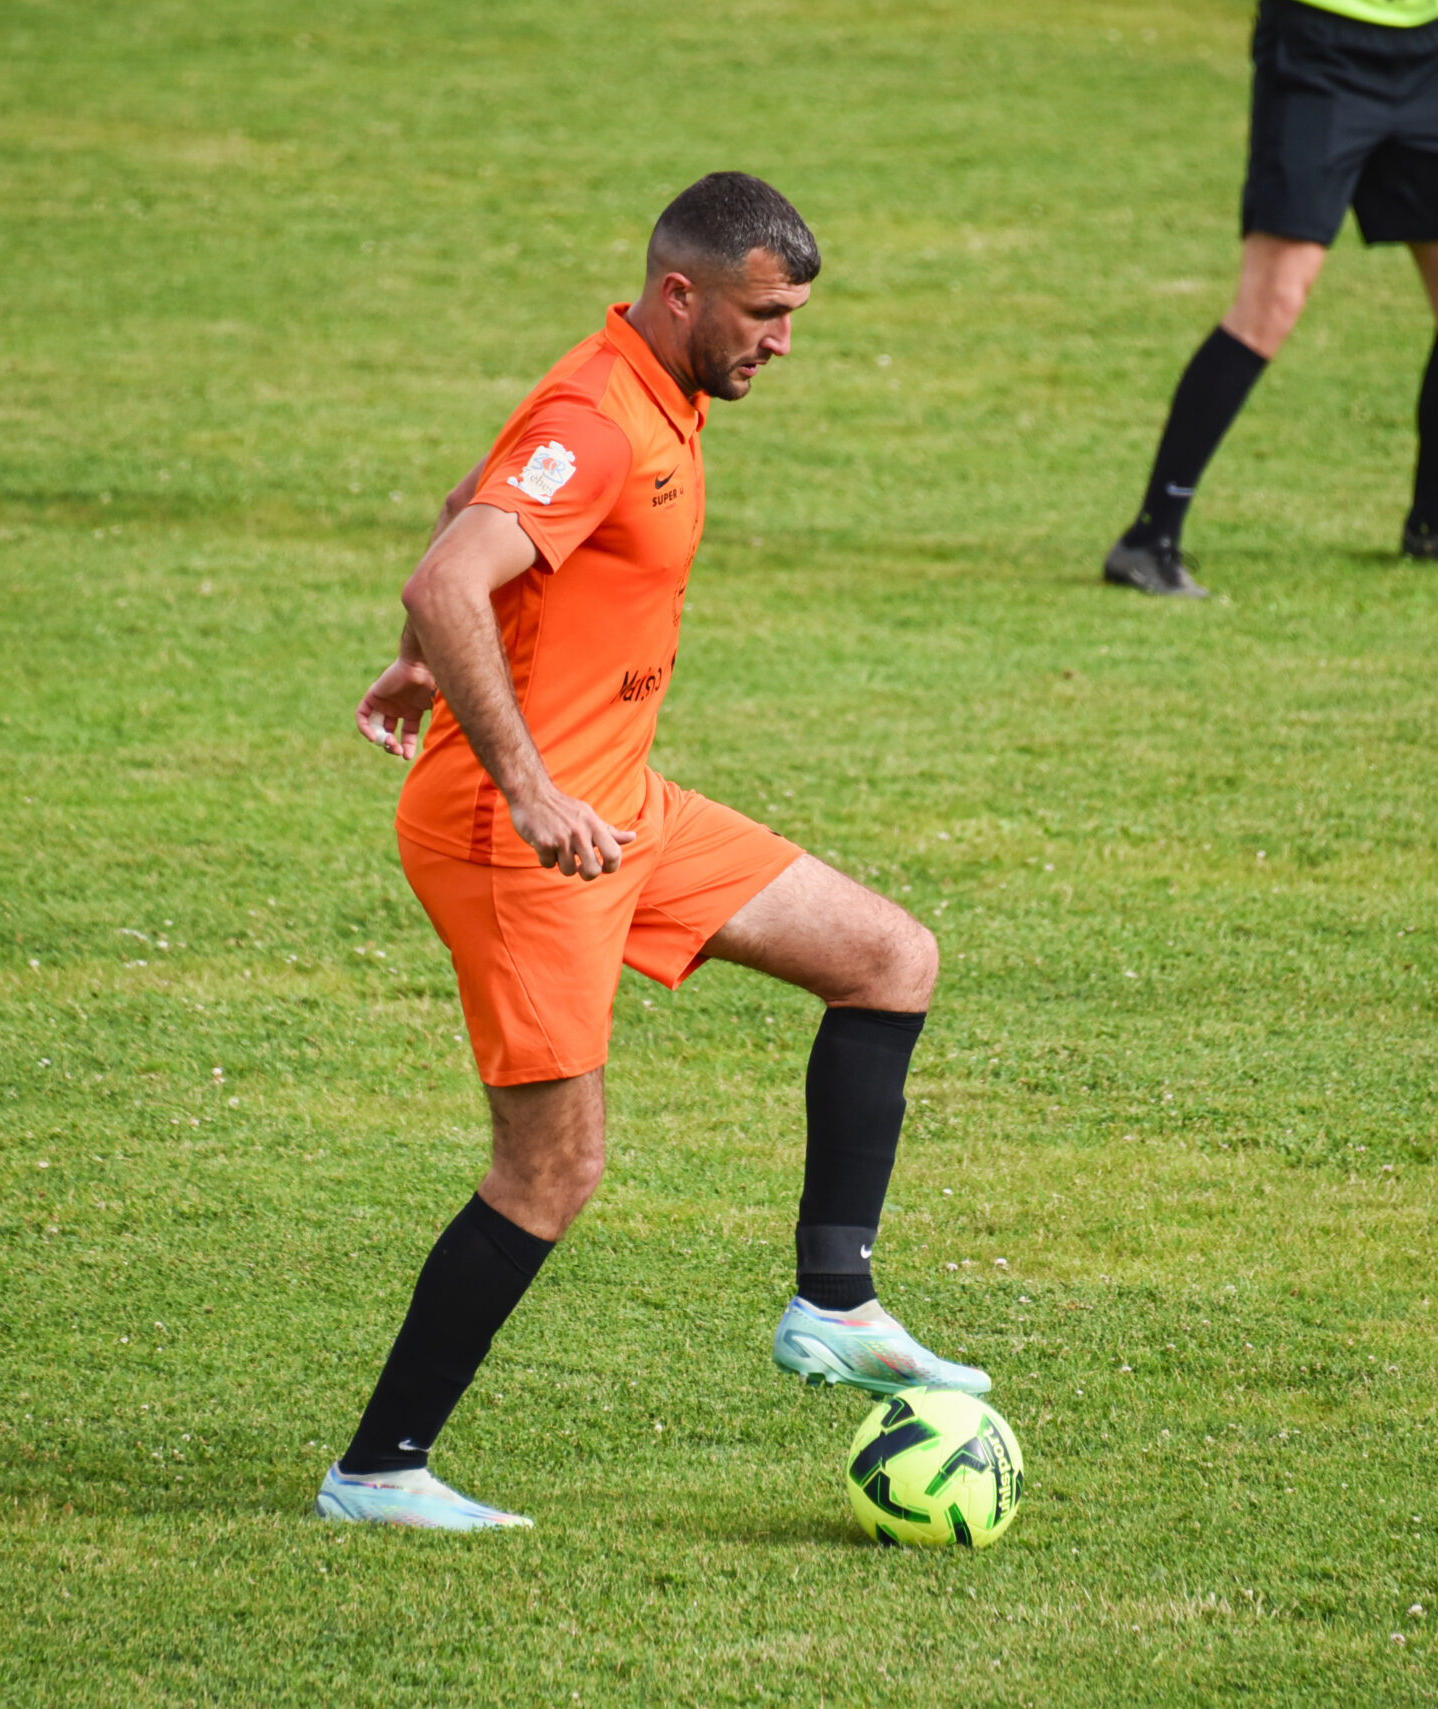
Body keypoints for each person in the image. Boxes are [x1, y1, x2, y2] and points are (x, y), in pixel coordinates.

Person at [322, 173, 987, 1533]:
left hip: (620, 807)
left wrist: (420, 664)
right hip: (524, 840)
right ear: (679, 292)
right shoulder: (597, 416)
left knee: (888, 956)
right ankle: (377, 1471)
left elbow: (465, 503)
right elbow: (449, 575)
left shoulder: (655, 387)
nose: (781, 343)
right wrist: (523, 782)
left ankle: (833, 1303)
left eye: (793, 317)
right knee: (551, 1170)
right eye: (763, 314)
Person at [1103, 0, 1438, 597]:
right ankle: (1147, 540)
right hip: (1319, 50)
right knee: (1272, 300)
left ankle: (1433, 523)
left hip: (1424, 51)